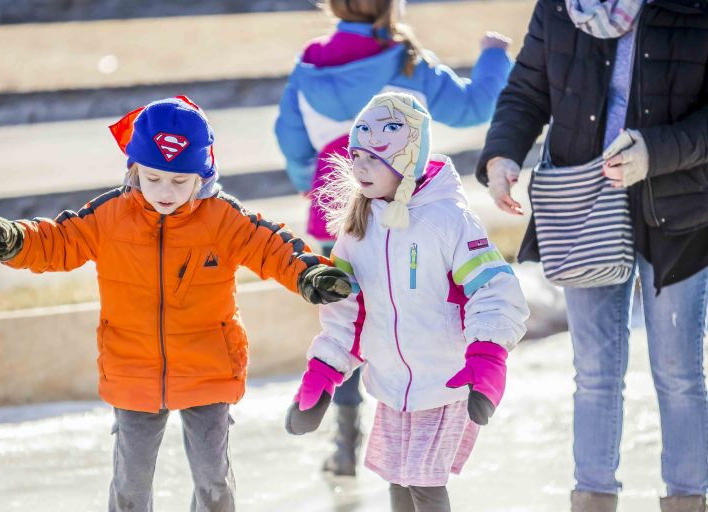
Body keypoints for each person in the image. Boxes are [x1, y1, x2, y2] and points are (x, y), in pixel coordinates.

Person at [0, 96, 351, 512]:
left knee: (213, 481)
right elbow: (57, 241)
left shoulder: (223, 219)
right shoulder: (111, 215)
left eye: (181, 182)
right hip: (132, 366)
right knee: (130, 483)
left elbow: (272, 246)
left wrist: (309, 273)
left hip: (208, 365)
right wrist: (8, 238)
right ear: (134, 169)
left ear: (204, 175)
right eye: (153, 178)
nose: (165, 192)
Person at [474, 0, 708, 510]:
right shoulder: (561, 7)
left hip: (678, 209)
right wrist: (502, 153)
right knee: (596, 370)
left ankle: (689, 500)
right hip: (583, 206)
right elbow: (528, 88)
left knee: (679, 370)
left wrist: (656, 151)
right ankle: (593, 499)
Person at [274, 0, 513, 475]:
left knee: (344, 318)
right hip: (409, 219)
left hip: (339, 217)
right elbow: (472, 107)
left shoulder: (311, 64)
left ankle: (345, 443)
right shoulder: (406, 60)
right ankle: (422, 430)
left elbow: (291, 137)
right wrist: (493, 57)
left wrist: (318, 183)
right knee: (402, 312)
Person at [285, 92, 530, 512]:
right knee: (398, 482)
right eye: (355, 154)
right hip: (392, 385)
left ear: (405, 162)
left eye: (373, 157)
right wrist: (323, 371)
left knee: (424, 485)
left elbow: (493, 288)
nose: (358, 166)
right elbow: (349, 313)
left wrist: (488, 356)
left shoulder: (448, 219)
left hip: (445, 381)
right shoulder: (358, 229)